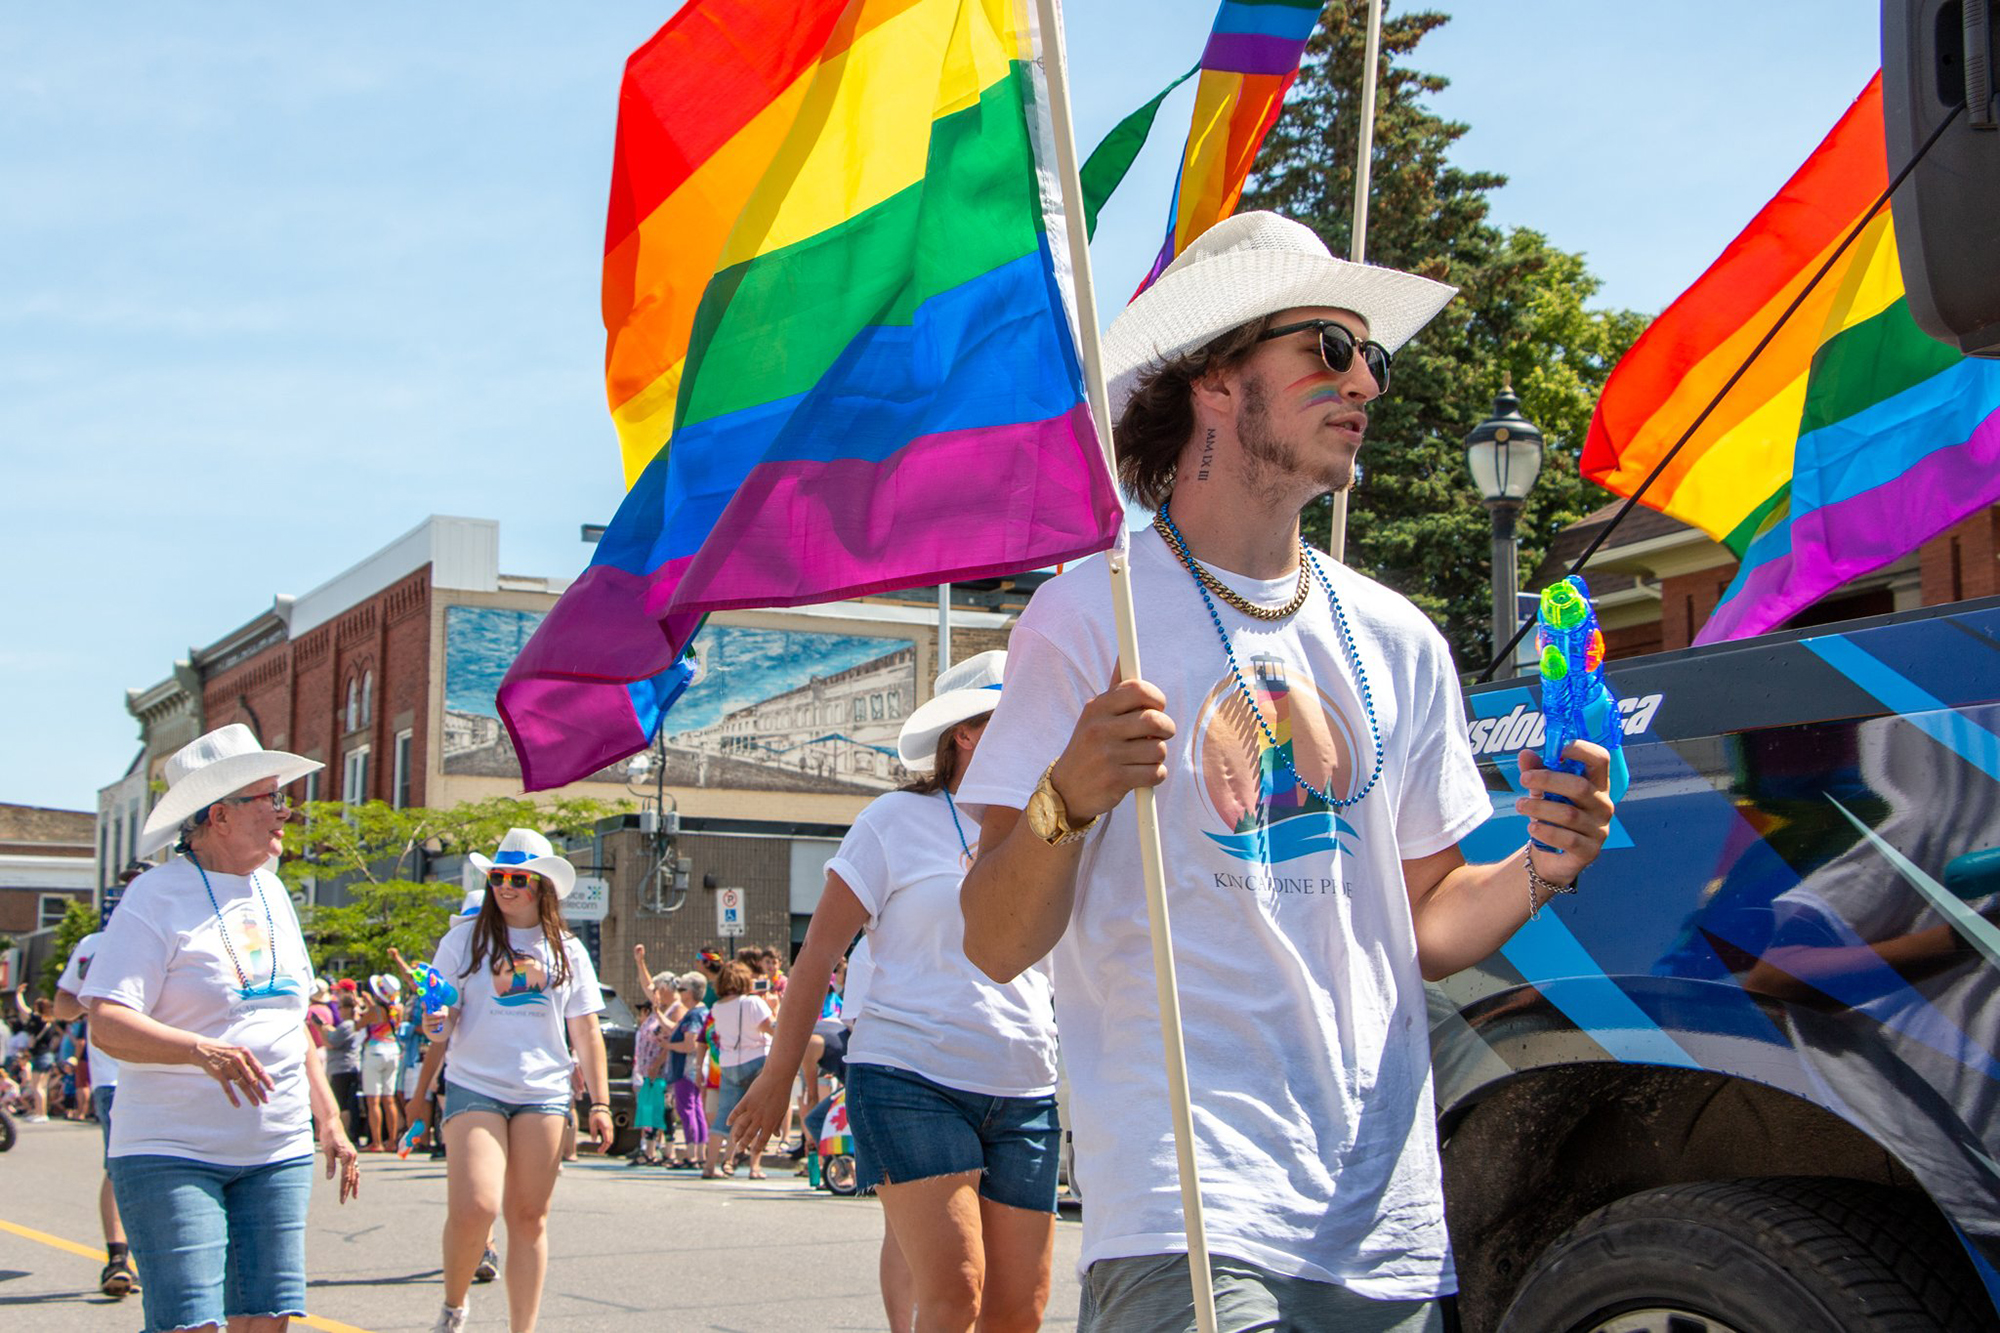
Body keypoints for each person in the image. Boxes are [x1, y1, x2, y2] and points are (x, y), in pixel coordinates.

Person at [955, 212, 1619, 1333]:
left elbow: (1425, 923)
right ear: (1216, 378)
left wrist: (1543, 865)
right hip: (1186, 1206)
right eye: (1327, 347)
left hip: (1381, 1215)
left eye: (1373, 357)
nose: (1364, 382)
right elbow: (992, 935)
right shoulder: (1088, 611)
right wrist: (1066, 793)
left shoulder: (1397, 634)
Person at [733, 650, 1063, 1332]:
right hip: (912, 1075)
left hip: (1026, 1085)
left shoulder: (1057, 823)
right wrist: (778, 1074)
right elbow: (819, 952)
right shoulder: (892, 821)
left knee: (1021, 1310)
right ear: (964, 732)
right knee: (956, 1292)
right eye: (1015, 713)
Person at [80, 723, 360, 1333]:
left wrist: (331, 1121)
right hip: (171, 1150)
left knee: (267, 1319)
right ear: (220, 815)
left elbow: (290, 1023)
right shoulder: (156, 896)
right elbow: (106, 1022)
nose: (287, 811)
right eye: (272, 798)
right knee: (192, 1325)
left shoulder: (275, 892)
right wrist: (200, 1050)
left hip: (277, 1149)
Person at [409, 827, 613, 1333]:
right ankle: (454, 1309)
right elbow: (442, 1017)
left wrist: (601, 1104)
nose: (505, 887)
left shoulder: (567, 949)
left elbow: (586, 1031)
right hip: (475, 1083)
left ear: (541, 886)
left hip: (543, 1092)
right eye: (498, 876)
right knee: (477, 1205)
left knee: (528, 1217)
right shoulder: (463, 938)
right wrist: (434, 1022)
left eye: (517, 878)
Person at [54, 921, 139, 1299]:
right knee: (120, 1166)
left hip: (178, 1071)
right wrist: (100, 994)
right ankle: (118, 1258)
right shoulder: (97, 943)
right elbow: (62, 1004)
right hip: (115, 1077)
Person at [708, 961, 773, 1178]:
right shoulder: (753, 1002)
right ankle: (754, 1167)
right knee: (758, 1115)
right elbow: (772, 1029)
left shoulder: (717, 1007)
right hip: (756, 1059)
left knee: (725, 1116)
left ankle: (710, 1166)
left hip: (729, 1064)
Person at [359, 974, 405, 1151]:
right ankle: (392, 1141)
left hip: (375, 1051)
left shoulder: (374, 1011)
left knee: (373, 1101)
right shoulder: (398, 1008)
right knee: (389, 1099)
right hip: (393, 1049)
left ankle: (377, 1142)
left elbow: (359, 1025)